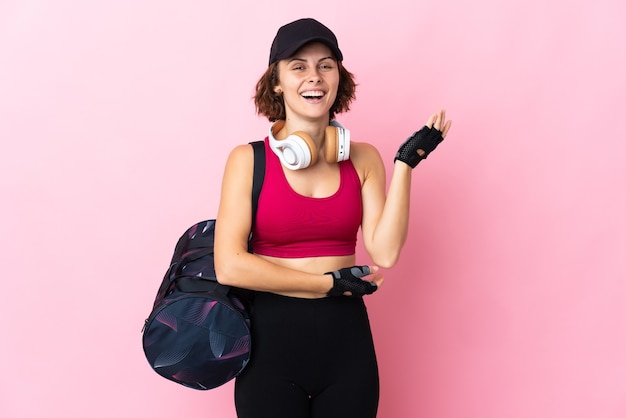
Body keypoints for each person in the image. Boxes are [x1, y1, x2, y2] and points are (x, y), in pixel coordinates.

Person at [214, 17, 452, 418]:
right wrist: (326, 284)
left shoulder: (363, 158)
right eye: (299, 66)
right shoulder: (247, 160)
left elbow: (386, 252)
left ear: (339, 77)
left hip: (347, 345)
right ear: (276, 81)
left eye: (326, 65)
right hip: (270, 346)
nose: (315, 76)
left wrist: (406, 166)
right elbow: (229, 266)